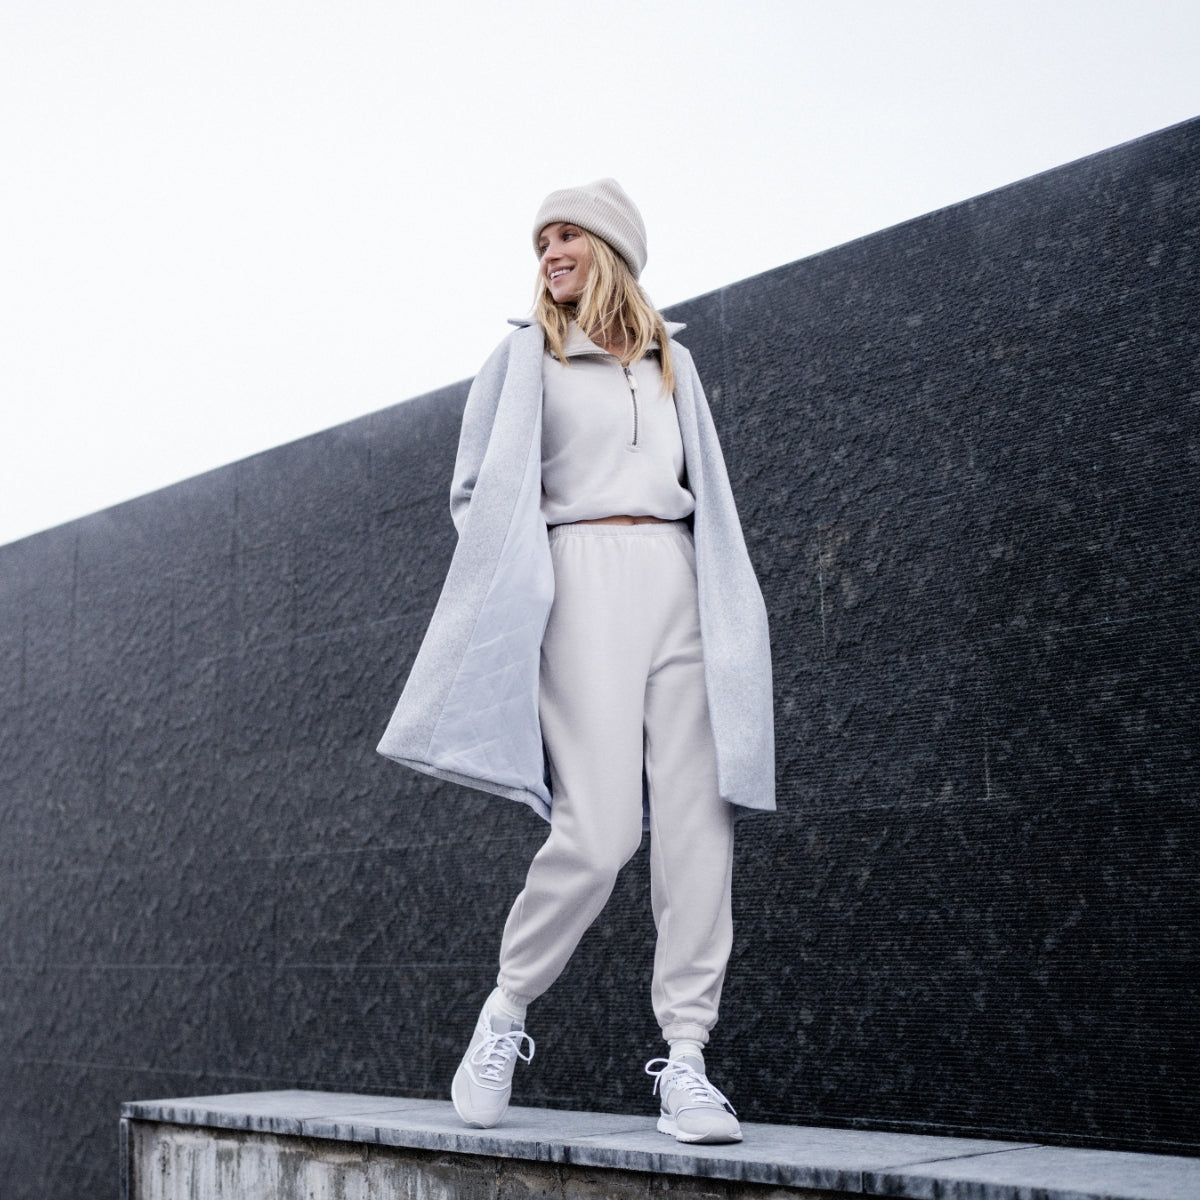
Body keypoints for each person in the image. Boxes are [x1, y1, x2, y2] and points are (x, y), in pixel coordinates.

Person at [377, 179, 774, 1144]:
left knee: (697, 827)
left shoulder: (675, 363)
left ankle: (686, 1061)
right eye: (542, 239)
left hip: (681, 579)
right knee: (600, 833)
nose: (550, 251)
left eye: (569, 236)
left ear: (613, 250)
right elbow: (475, 494)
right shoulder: (523, 358)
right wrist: (529, 576)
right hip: (579, 576)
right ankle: (507, 1008)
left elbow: (703, 491)